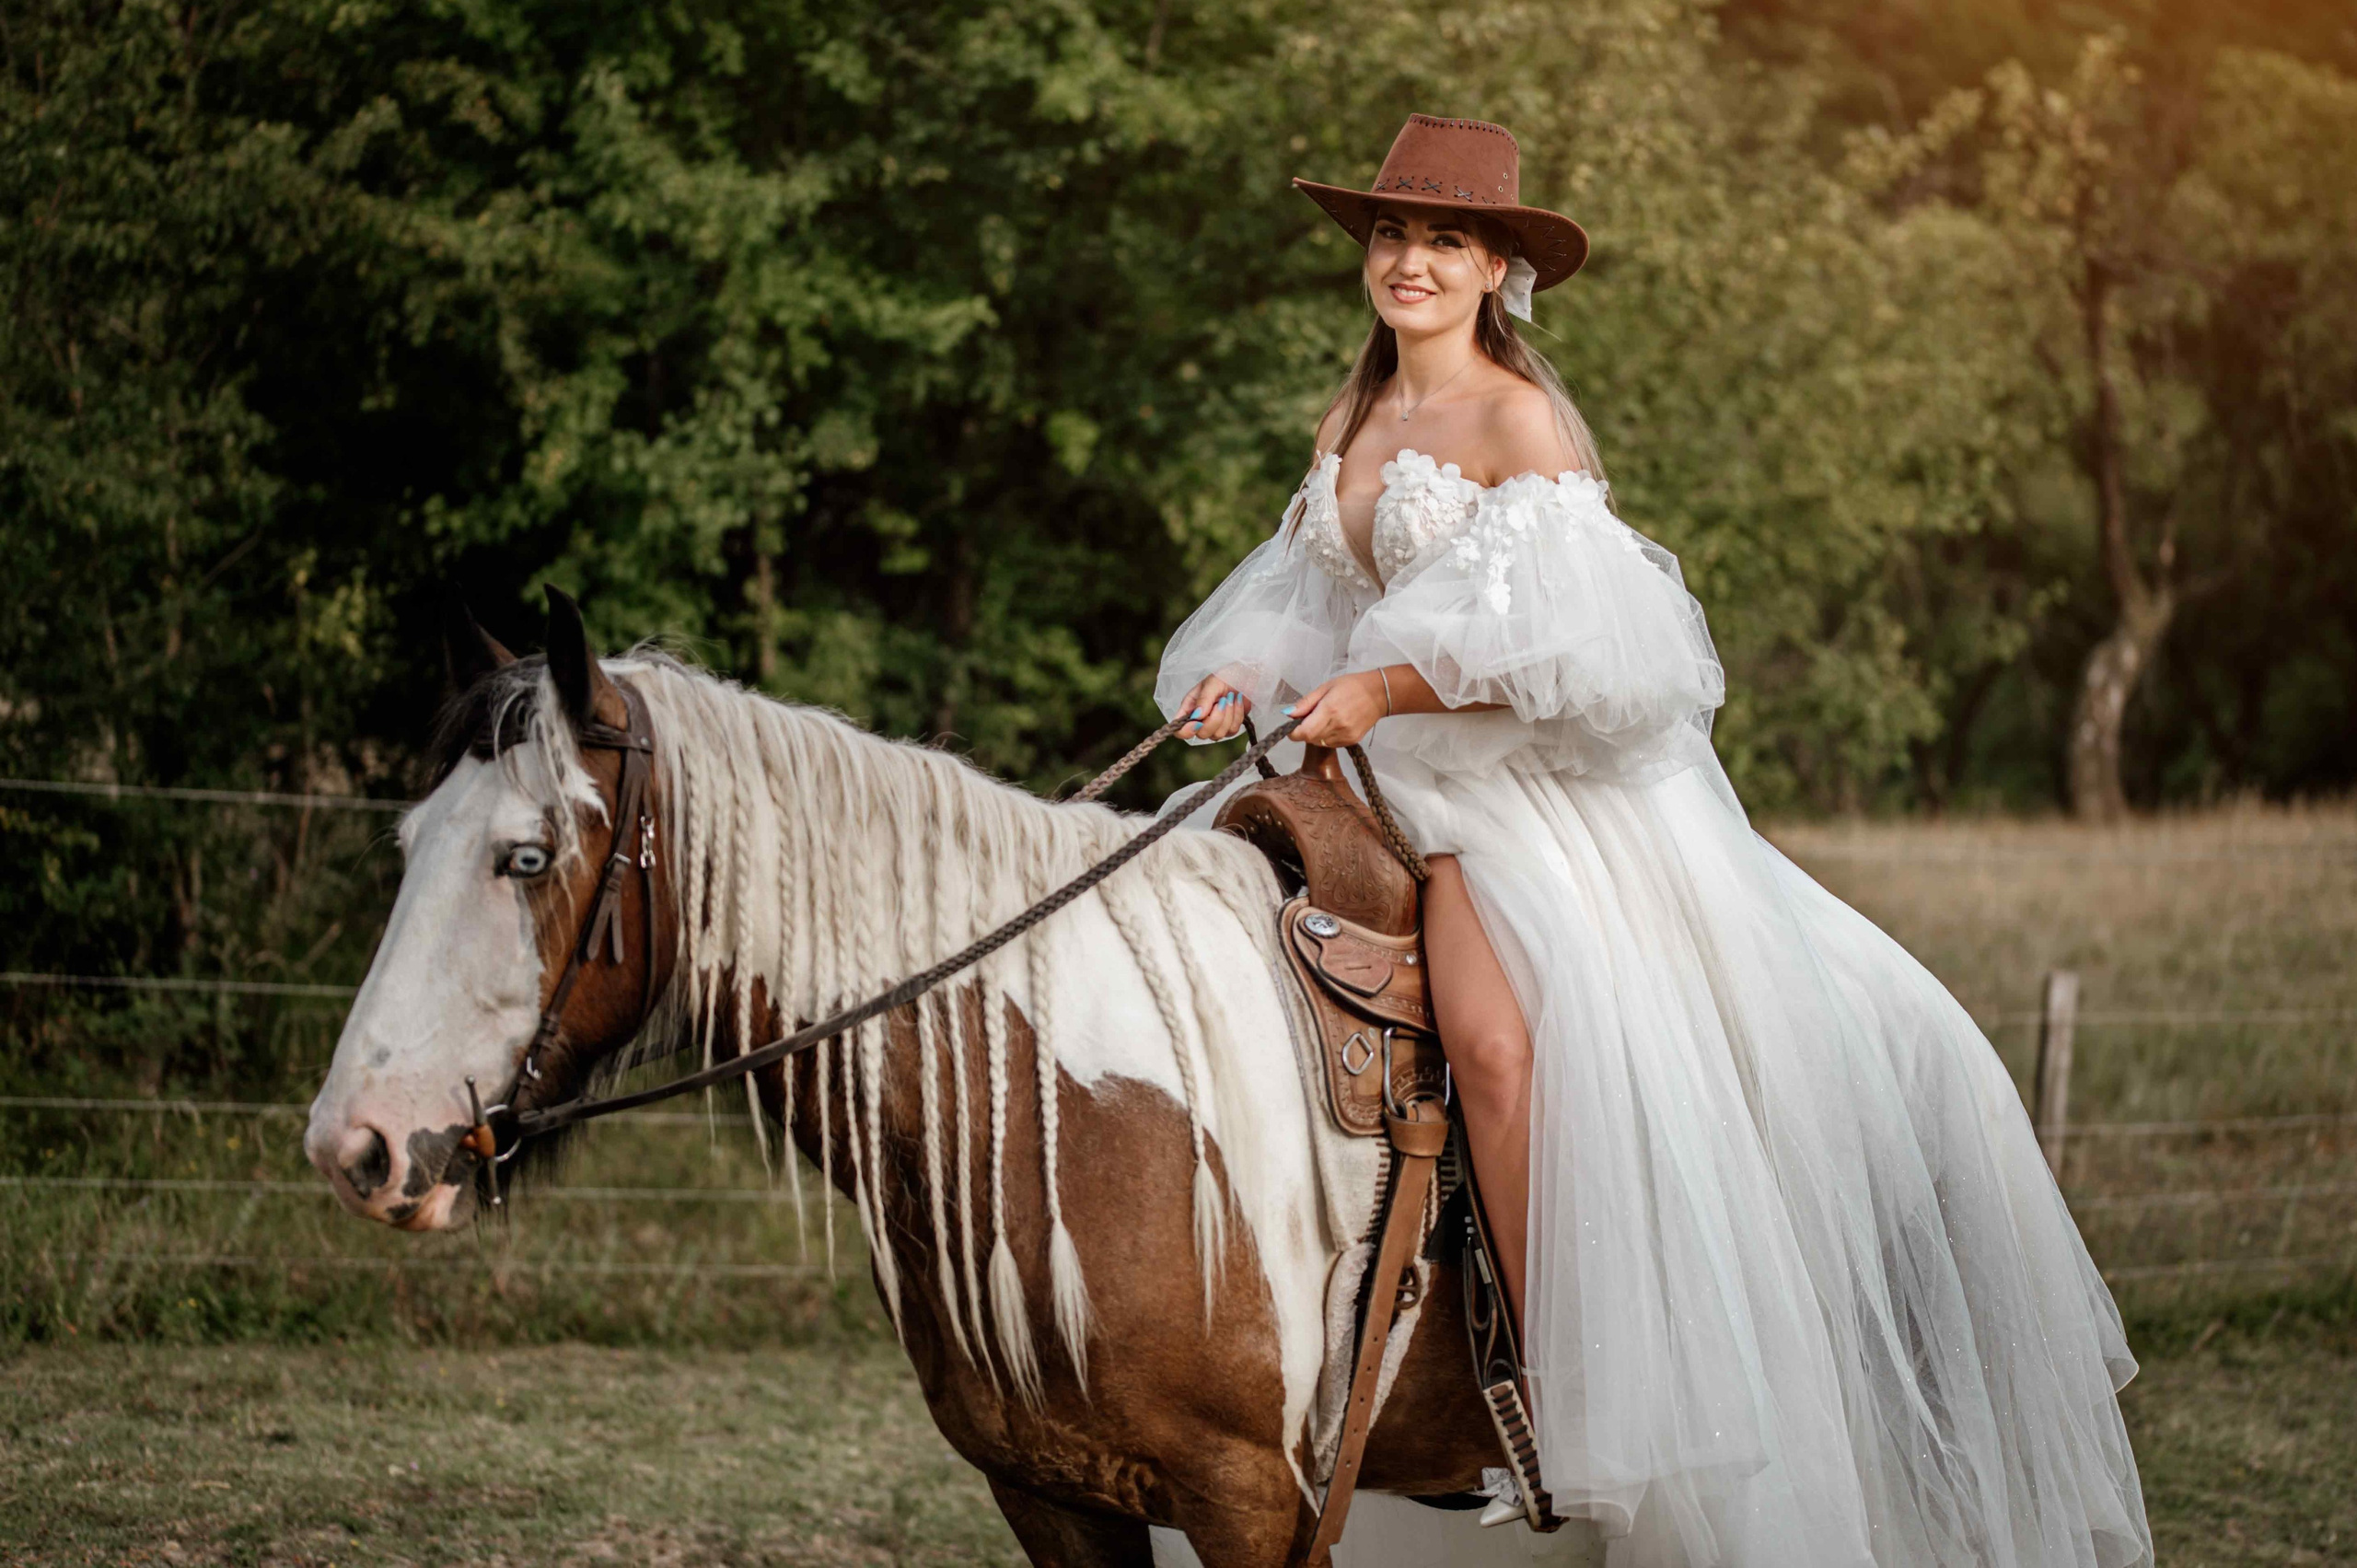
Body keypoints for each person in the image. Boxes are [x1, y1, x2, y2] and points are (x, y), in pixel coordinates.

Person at [1158, 114, 2152, 1568]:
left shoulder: (1520, 423)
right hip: (1365, 770)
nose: (1410, 261)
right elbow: (1311, 594)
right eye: (1391, 235)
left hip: (1502, 788)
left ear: (1498, 268)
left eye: (1444, 240)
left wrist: (1384, 684)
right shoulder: (1353, 419)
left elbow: (1579, 644)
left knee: (1498, 1048)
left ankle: (1545, 1384)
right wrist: (1248, 678)